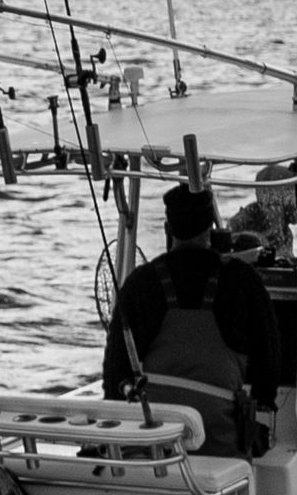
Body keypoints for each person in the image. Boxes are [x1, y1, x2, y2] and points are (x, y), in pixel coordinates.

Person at [105, 182, 287, 454]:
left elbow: (115, 370)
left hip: (154, 431)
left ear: (168, 230)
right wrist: (264, 399)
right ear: (211, 230)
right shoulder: (243, 279)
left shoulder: (140, 282)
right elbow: (269, 360)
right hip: (220, 434)